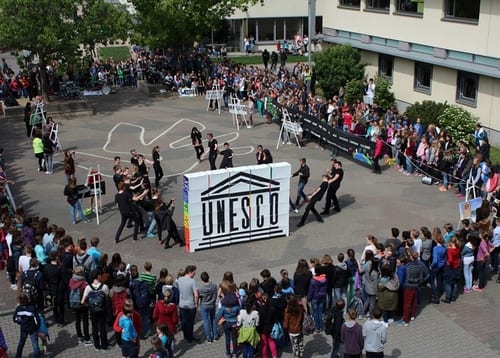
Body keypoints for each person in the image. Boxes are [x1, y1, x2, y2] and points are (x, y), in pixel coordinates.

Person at [81, 270, 110, 351]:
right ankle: (104, 345)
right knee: (102, 328)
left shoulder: (88, 287)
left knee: (94, 328)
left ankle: (97, 346)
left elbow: (82, 301)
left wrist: (89, 306)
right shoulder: (104, 286)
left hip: (93, 310)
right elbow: (107, 299)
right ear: (98, 276)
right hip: (102, 310)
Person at [13, 292, 41, 358]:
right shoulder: (32, 308)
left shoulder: (18, 309)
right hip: (32, 328)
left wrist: (20, 322)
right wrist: (37, 326)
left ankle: (18, 356)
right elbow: (37, 319)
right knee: (35, 344)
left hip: (23, 328)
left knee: (21, 343)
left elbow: (15, 319)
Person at [69, 266, 92, 345]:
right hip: (83, 304)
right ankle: (87, 339)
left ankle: (79, 337)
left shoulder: (71, 280)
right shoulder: (84, 283)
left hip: (74, 303)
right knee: (85, 322)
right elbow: (86, 295)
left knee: (77, 320)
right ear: (82, 273)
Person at [177, 265, 199, 343]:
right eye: (194, 272)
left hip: (182, 304)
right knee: (190, 322)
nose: (195, 274)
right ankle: (190, 337)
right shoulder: (192, 281)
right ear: (190, 272)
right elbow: (196, 295)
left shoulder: (179, 279)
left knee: (184, 321)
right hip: (190, 305)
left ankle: (185, 336)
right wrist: (196, 303)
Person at [198, 271, 218, 343]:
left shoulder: (201, 288)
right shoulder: (214, 285)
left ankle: (208, 337)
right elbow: (216, 293)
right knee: (213, 319)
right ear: (208, 277)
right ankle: (215, 335)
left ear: (202, 279)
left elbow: (199, 296)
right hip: (212, 304)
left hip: (204, 306)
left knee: (206, 321)